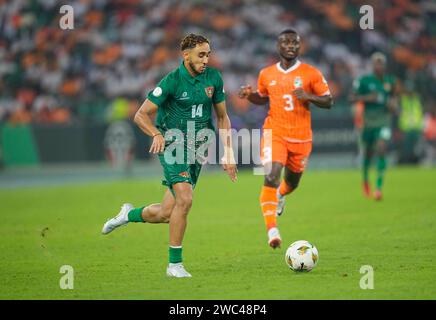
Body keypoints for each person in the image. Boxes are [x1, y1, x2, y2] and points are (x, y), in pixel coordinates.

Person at [101, 34, 237, 277]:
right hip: (173, 144)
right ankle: (174, 265)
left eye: (208, 54)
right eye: (201, 55)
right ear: (186, 55)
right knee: (185, 199)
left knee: (166, 212)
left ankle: (128, 214)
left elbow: (222, 117)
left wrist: (228, 152)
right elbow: (141, 115)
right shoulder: (172, 82)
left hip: (198, 147)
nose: (206, 59)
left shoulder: (214, 78)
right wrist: (156, 134)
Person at [238, 29, 333, 249]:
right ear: (278, 46)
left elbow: (329, 101)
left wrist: (308, 96)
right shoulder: (266, 74)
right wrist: (250, 95)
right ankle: (272, 230)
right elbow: (262, 99)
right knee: (271, 174)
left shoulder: (311, 73)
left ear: (300, 47)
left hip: (301, 138)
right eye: (285, 42)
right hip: (276, 132)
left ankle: (281, 194)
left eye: (294, 42)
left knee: (292, 183)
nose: (290, 45)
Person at [350, 52, 397, 201]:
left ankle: (378, 187)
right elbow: (351, 97)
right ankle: (365, 180)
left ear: (385, 65)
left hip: (383, 121)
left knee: (381, 149)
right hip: (368, 122)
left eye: (381, 62)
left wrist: (393, 105)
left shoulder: (390, 81)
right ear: (372, 64)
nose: (379, 65)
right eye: (376, 62)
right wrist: (367, 98)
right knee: (368, 154)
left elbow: (394, 99)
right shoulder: (364, 81)